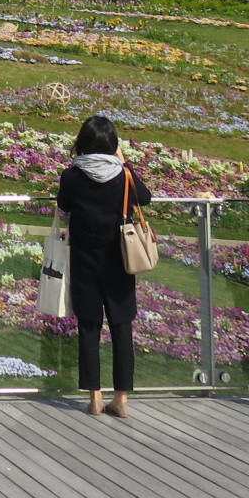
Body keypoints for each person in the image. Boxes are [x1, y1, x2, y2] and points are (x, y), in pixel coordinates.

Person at [55, 114, 151, 417]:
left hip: (85, 259)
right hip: (119, 260)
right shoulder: (124, 175)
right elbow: (145, 198)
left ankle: (95, 396)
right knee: (122, 326)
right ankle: (121, 398)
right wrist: (124, 164)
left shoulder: (72, 175)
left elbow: (64, 205)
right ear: (113, 144)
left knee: (89, 326)